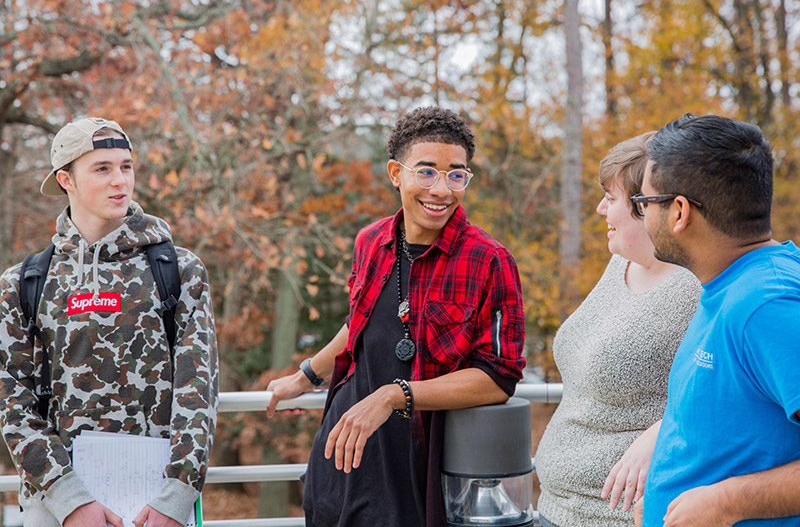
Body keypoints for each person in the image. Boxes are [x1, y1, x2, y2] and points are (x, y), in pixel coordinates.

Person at [266, 106, 526, 527]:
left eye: (456, 174)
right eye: (426, 172)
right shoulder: (371, 240)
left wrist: (394, 394)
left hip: (417, 473)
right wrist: (306, 377)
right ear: (395, 173)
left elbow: (499, 379)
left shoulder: (489, 260)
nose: (441, 189)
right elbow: (360, 323)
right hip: (342, 458)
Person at [0, 118, 219, 527]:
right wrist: (70, 501)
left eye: (126, 166)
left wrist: (175, 498)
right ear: (66, 179)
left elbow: (198, 394)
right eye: (102, 168)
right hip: (58, 506)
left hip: (155, 505)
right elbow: (11, 402)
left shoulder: (178, 269)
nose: (120, 180)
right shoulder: (24, 282)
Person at [633, 114, 800, 526]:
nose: (642, 217)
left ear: (679, 212)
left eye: (643, 203)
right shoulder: (729, 286)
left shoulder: (768, 305)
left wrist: (726, 502)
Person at [534, 132, 702, 527]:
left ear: (648, 207)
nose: (599, 209)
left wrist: (663, 429)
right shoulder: (619, 264)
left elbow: (726, 390)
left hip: (617, 516)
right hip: (556, 507)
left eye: (611, 199)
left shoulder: (696, 286)